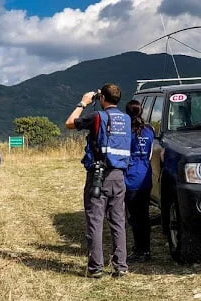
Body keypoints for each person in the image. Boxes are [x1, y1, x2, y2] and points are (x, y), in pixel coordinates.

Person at [65, 83, 131, 278]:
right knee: (118, 221)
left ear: (102, 98)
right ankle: (121, 266)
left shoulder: (97, 117)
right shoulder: (126, 119)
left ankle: (96, 268)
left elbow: (70, 123)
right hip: (119, 175)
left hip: (99, 175)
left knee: (95, 221)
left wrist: (83, 102)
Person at [124, 100, 154, 263]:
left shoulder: (127, 132)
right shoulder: (149, 130)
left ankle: (139, 249)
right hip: (145, 175)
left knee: (134, 217)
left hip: (130, 177)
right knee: (144, 215)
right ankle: (146, 249)